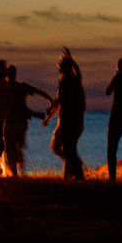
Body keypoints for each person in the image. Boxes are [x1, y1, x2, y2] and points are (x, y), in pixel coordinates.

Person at [44, 48, 85, 181]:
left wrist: (71, 60)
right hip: (65, 120)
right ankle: (76, 171)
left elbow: (78, 72)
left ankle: (76, 174)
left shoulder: (73, 80)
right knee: (64, 149)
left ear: (67, 67)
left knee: (69, 149)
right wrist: (51, 110)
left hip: (73, 120)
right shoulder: (63, 80)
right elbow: (60, 98)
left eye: (61, 65)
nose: (58, 66)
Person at [4, 64, 51, 177]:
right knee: (15, 147)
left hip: (13, 122)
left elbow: (37, 92)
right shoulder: (17, 87)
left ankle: (17, 173)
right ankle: (18, 173)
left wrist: (50, 100)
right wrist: (50, 99)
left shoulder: (6, 88)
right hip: (16, 122)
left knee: (13, 148)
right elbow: (38, 92)